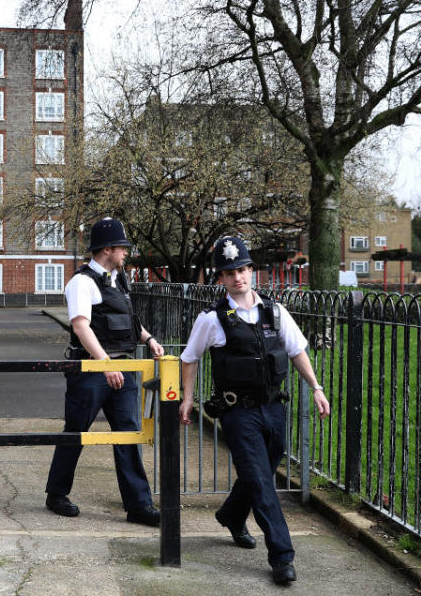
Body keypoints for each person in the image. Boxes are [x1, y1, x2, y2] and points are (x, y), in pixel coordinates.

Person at [179, 236, 330, 585]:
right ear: (221, 278)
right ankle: (282, 557)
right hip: (237, 413)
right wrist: (188, 398)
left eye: (243, 269)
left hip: (273, 409)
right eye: (229, 272)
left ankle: (232, 515)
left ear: (252, 271)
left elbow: (296, 352)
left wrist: (316, 387)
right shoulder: (212, 319)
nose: (238, 277)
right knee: (262, 482)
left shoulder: (275, 312)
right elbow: (189, 359)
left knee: (260, 471)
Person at [45, 217, 165, 526]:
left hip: (122, 368)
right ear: (107, 249)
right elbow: (81, 326)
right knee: (77, 432)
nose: (126, 253)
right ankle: (56, 494)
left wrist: (148, 338)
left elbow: (128, 320)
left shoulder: (118, 280)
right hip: (92, 370)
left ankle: (139, 505)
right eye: (122, 248)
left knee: (128, 434)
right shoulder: (81, 283)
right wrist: (105, 363)